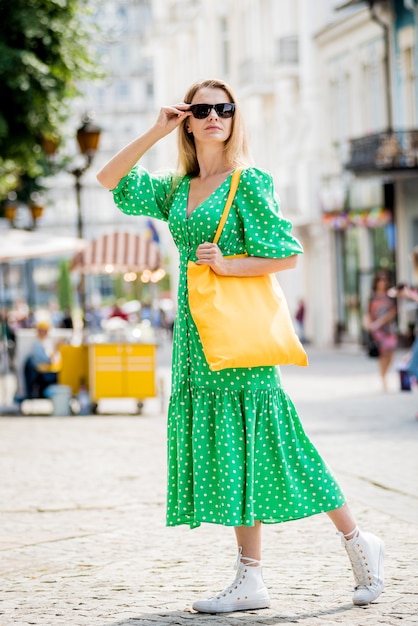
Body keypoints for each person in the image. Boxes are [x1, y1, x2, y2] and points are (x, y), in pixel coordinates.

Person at [97, 78, 384, 613]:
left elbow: (287, 254)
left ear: (233, 117)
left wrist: (228, 265)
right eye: (201, 109)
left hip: (237, 340)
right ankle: (250, 579)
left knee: (276, 446)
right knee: (232, 456)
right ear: (187, 119)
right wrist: (155, 130)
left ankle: (358, 542)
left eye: (223, 108)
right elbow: (110, 178)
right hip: (194, 340)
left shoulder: (247, 181)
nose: (213, 117)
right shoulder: (177, 188)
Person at [364, 271, 398, 392]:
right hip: (377, 329)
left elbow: (393, 311)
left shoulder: (390, 295)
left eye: (385, 279)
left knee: (391, 352)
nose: (383, 282)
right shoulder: (372, 296)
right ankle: (383, 377)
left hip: (388, 328)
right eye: (380, 280)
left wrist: (382, 321)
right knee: (383, 352)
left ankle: (384, 373)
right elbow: (367, 312)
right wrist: (368, 325)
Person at [24, 320, 61, 399]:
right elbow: (47, 360)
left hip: (47, 370)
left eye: (45, 331)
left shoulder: (47, 342)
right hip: (41, 372)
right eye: (42, 331)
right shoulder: (37, 344)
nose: (44, 333)